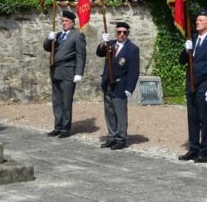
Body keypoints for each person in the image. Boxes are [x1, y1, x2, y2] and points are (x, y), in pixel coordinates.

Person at [178, 9, 207, 163]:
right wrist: (186, 50)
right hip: (191, 83)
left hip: (205, 84)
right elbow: (182, 61)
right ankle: (193, 148)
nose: (197, 22)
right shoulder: (192, 38)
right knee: (192, 117)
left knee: (203, 118)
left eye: (201, 19)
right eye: (197, 19)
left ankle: (203, 150)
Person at [95, 21, 141, 150]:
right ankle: (112, 136)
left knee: (120, 113)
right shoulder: (111, 45)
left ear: (128, 33)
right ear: (115, 33)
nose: (121, 34)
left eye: (124, 32)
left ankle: (121, 138)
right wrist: (103, 43)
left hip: (121, 84)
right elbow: (99, 53)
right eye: (119, 32)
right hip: (108, 83)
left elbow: (134, 71)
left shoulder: (132, 49)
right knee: (109, 111)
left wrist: (129, 88)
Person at [42, 9, 87, 138]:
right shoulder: (58, 35)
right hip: (55, 71)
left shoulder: (77, 35)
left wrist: (79, 72)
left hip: (68, 71)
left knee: (66, 101)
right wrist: (49, 38)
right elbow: (46, 47)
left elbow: (81, 55)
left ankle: (65, 129)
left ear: (73, 23)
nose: (63, 23)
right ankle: (58, 126)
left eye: (66, 21)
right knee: (57, 101)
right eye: (62, 21)